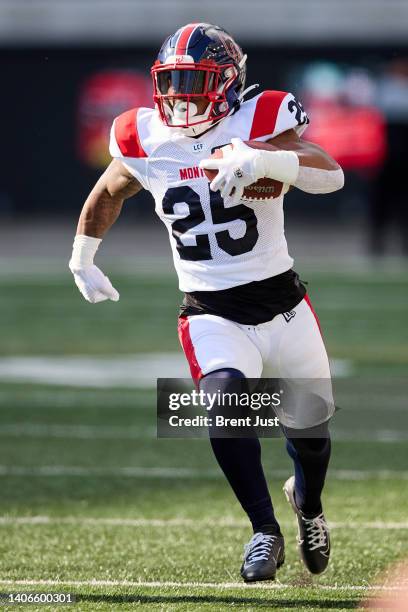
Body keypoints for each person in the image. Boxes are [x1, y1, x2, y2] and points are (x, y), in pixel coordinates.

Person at [69, 23, 344, 582]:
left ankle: (308, 505)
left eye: (194, 82)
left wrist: (268, 161)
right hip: (210, 309)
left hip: (285, 304)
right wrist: (83, 254)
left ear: (227, 83)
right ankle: (264, 530)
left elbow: (331, 175)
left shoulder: (262, 118)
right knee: (222, 406)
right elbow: (109, 188)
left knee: (312, 441)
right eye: (171, 83)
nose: (180, 96)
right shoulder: (143, 135)